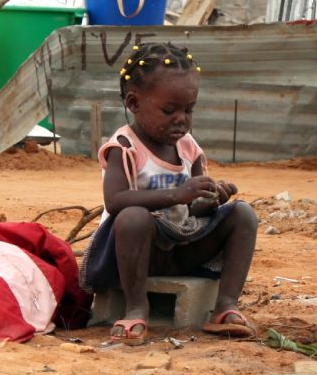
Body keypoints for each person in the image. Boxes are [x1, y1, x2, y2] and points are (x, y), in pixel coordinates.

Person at [79, 42, 258, 345]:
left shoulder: (188, 147)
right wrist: (178, 193)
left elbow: (196, 209)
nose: (181, 119)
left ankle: (225, 306)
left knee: (242, 214)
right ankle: (137, 308)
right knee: (133, 217)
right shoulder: (124, 147)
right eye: (169, 110)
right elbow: (116, 201)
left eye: (189, 110)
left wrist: (212, 199)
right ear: (134, 103)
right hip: (133, 254)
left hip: (181, 247)